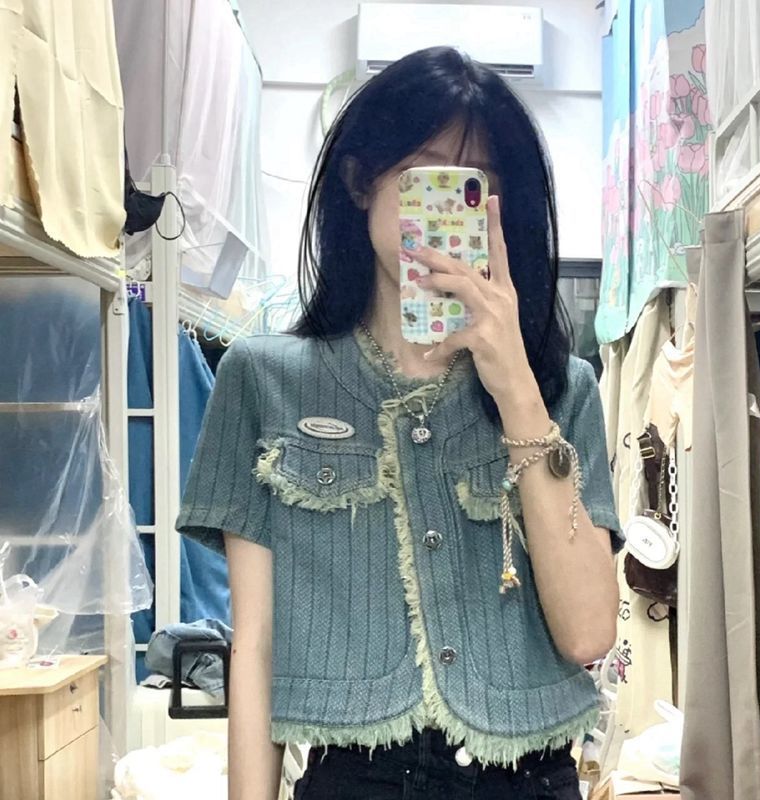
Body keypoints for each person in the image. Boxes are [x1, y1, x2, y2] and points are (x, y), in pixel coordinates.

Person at [177, 46, 622, 800]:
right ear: (361, 181)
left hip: (530, 781)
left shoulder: (561, 390)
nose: (451, 208)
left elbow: (588, 634)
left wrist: (517, 388)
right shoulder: (262, 379)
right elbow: (253, 647)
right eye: (427, 176)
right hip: (357, 781)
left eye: (478, 186)